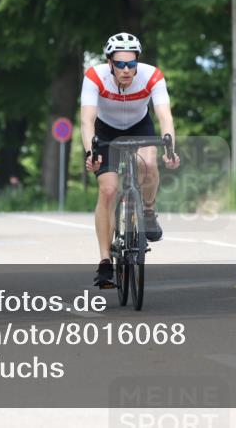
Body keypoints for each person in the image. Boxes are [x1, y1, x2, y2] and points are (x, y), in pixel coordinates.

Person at [81, 32, 181, 289]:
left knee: (147, 165)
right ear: (110, 63)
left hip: (139, 126)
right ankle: (105, 262)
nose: (127, 70)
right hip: (105, 131)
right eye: (121, 64)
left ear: (138, 62)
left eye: (131, 64)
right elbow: (87, 120)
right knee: (108, 190)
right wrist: (90, 152)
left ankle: (147, 210)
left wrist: (170, 147)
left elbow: (164, 116)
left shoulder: (152, 76)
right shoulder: (94, 76)